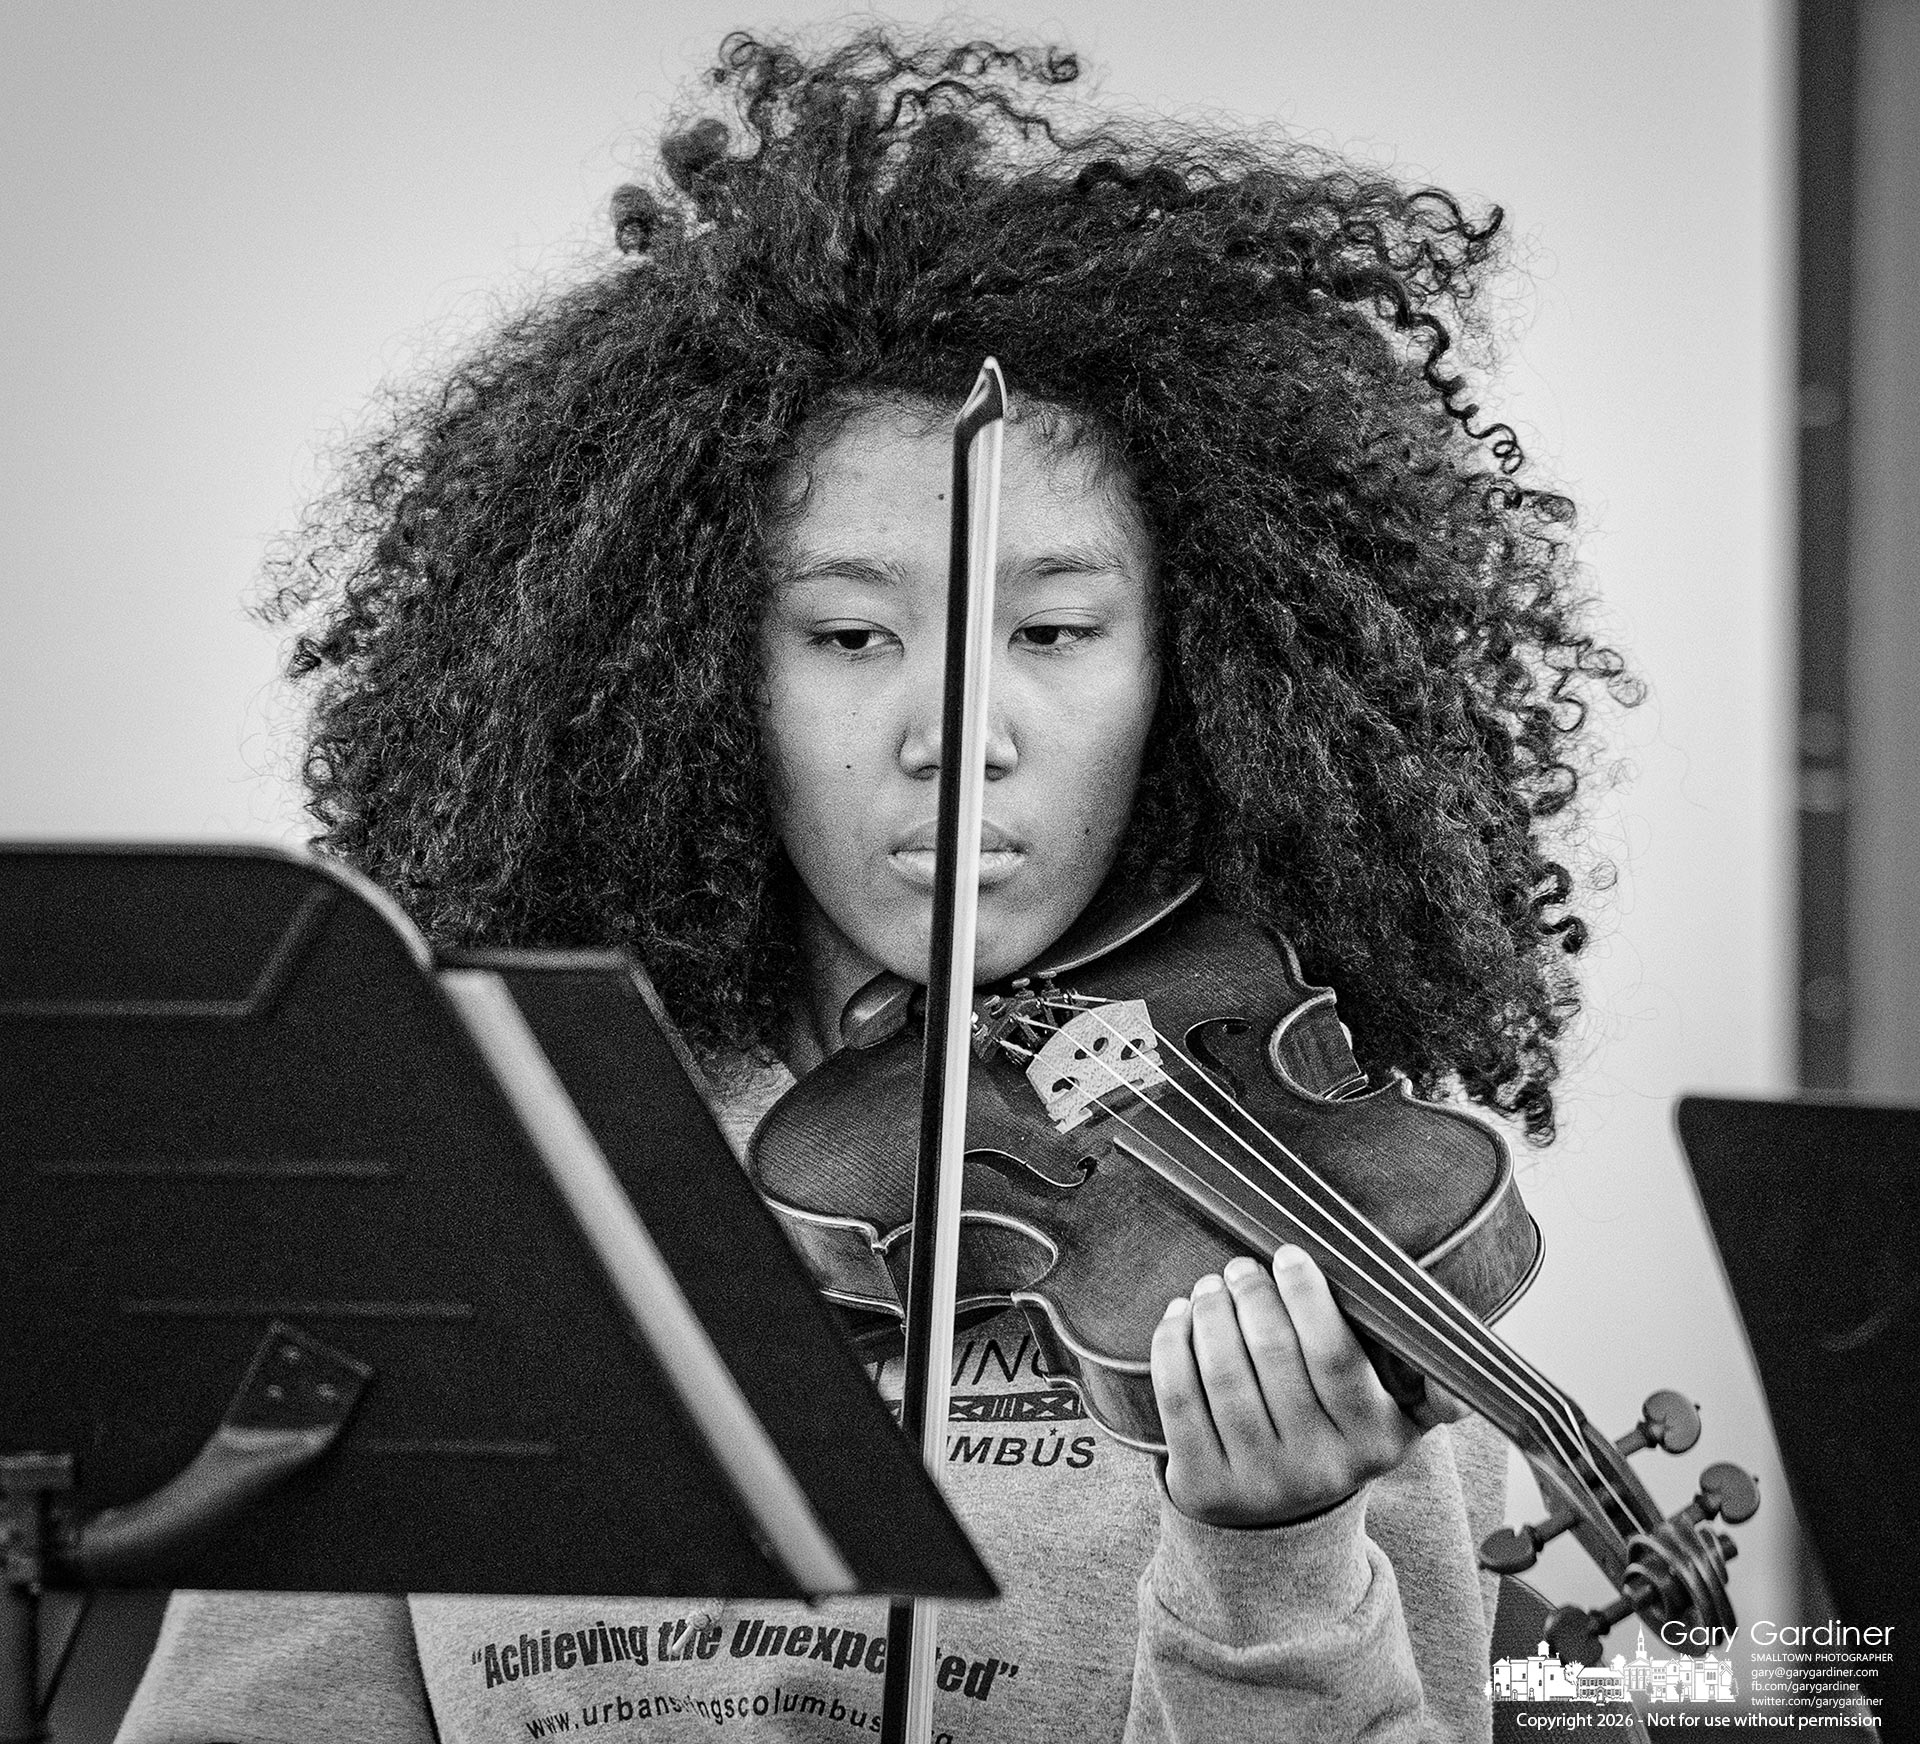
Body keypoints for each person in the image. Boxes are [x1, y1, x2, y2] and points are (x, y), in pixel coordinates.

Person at [117, 30, 1632, 1744]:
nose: (959, 733)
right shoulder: (483, 1177)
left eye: (1053, 632)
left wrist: (1271, 1567)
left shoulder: (1313, 1215)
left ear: (1197, 667)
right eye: (850, 636)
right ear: (690, 671)